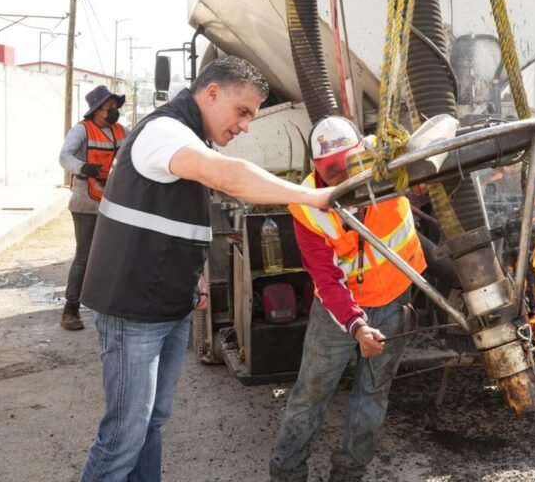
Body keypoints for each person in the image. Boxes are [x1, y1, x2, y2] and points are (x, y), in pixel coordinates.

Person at [78, 56, 332, 482]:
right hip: (133, 309)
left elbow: (172, 217)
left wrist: (194, 277)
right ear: (212, 93)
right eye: (243, 111)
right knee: (124, 433)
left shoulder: (192, 139)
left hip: (166, 304)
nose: (246, 125)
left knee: (151, 424)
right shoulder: (164, 132)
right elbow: (229, 177)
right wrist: (317, 198)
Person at [270, 115, 426, 482]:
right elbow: (325, 279)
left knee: (373, 394)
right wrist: (356, 326)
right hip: (339, 311)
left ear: (363, 154)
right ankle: (287, 473)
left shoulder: (388, 163)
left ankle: (349, 474)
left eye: (348, 165)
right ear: (317, 168)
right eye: (331, 171)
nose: (341, 177)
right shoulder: (307, 206)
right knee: (311, 393)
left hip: (393, 297)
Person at [58, 85, 129, 330]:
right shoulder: (82, 130)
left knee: (115, 255)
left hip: (114, 203)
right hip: (85, 203)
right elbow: (64, 156)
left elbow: (136, 150)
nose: (113, 110)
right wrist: (81, 167)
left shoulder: (121, 131)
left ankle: (113, 306)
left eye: (114, 106)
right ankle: (71, 309)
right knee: (84, 256)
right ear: (96, 110)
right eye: (108, 107)